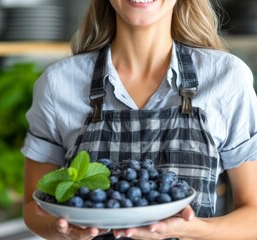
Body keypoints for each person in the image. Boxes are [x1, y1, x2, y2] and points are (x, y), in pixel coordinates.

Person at [21, 0, 257, 239]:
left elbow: (253, 213)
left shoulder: (227, 78)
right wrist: (60, 230)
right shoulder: (58, 83)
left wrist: (195, 231)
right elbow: (34, 208)